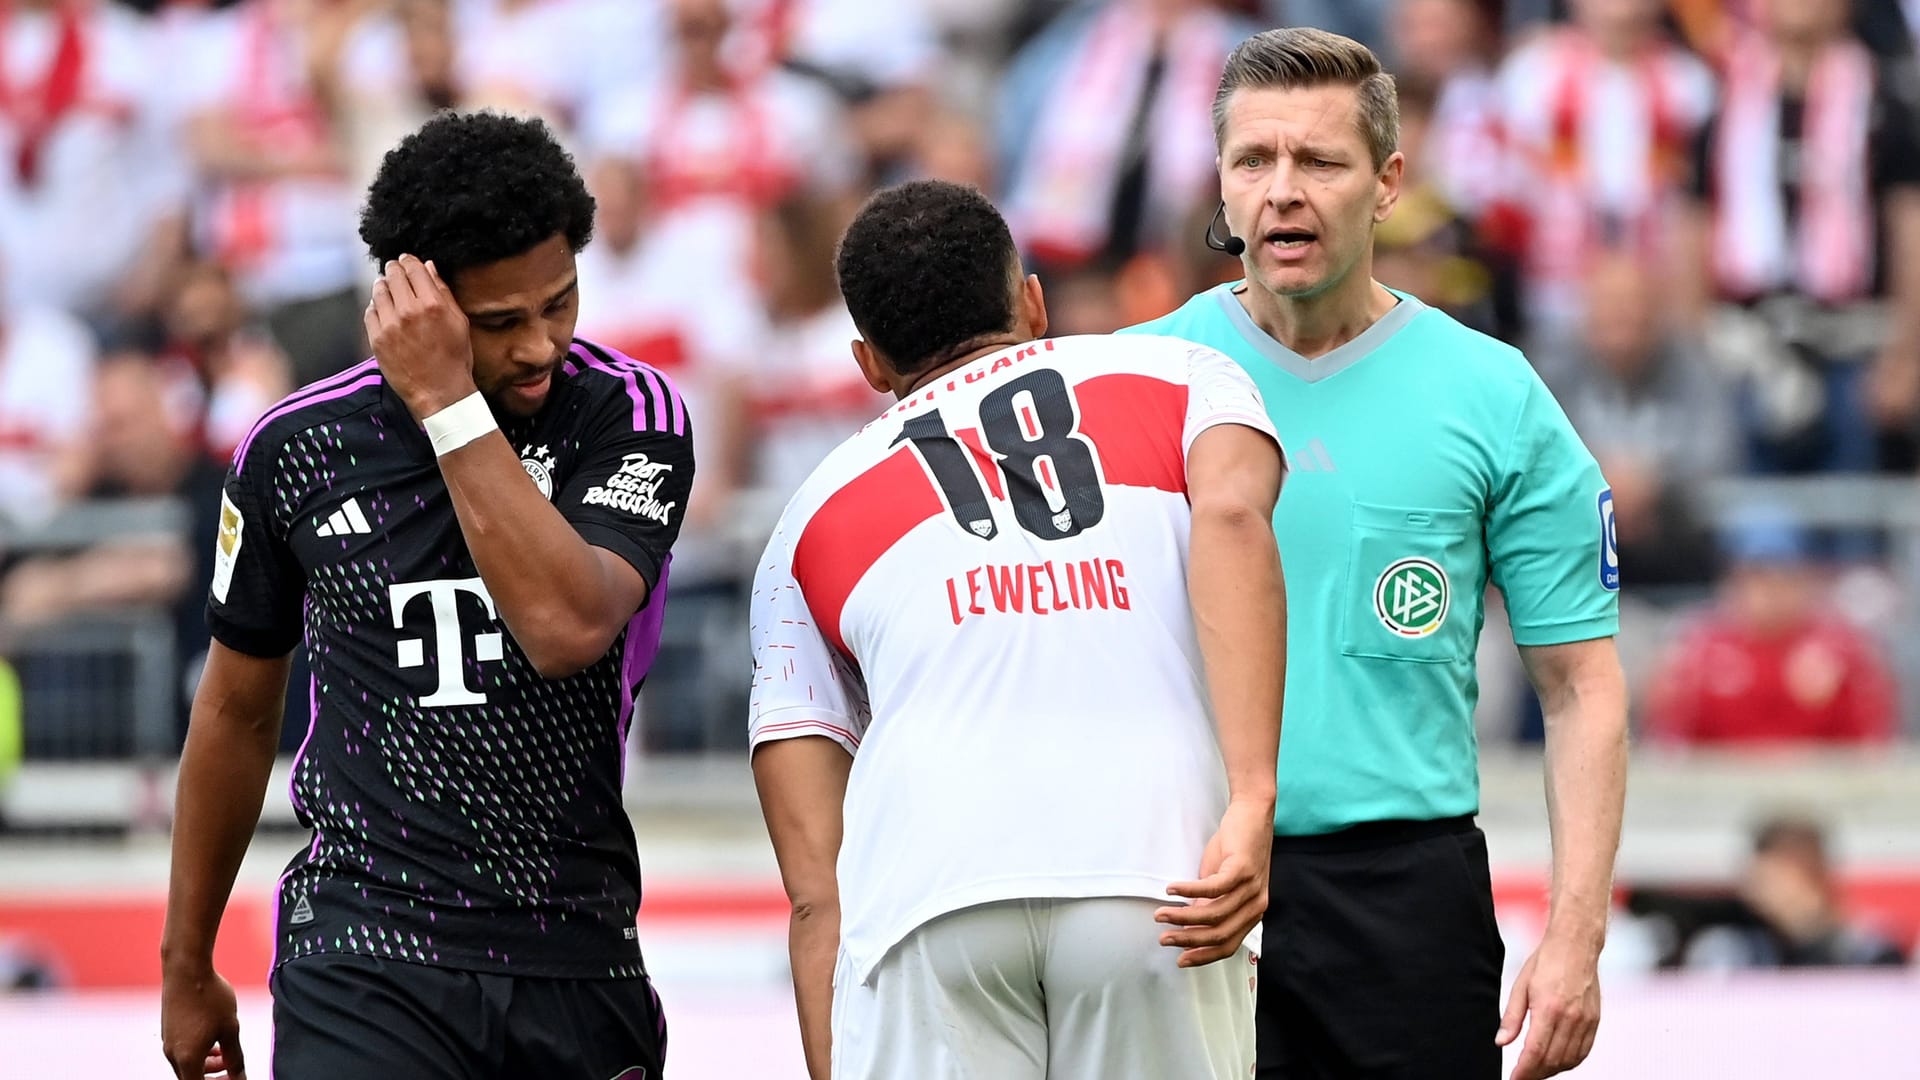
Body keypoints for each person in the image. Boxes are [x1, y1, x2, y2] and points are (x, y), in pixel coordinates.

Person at [1125, 28, 1628, 1080]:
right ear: (1218, 184)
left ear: (1388, 183)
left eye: (1319, 161)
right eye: (1253, 162)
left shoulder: (1493, 395)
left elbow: (1581, 684)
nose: (1282, 192)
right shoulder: (1134, 385)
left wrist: (1575, 936)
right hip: (1176, 884)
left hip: (1404, 900)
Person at [159, 111, 692, 1080]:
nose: (541, 346)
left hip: (570, 948)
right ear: (416, 302)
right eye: (500, 323)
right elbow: (235, 710)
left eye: (561, 303)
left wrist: (448, 402)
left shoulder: (630, 417)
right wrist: (185, 962)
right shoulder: (295, 451)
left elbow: (569, 624)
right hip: (364, 952)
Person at [749, 179, 1287, 1079]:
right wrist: (1252, 799)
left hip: (930, 901)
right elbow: (1236, 522)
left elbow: (814, 890)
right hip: (1159, 877)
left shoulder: (806, 519)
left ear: (869, 364)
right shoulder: (1185, 377)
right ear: (1033, 302)